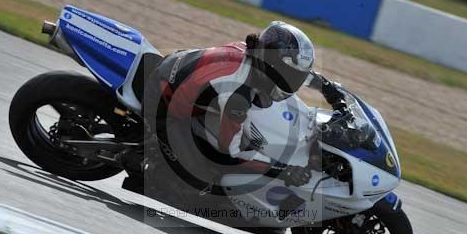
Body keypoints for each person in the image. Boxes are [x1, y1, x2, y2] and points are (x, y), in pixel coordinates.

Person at [131, 21, 346, 195]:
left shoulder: (255, 54)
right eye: (292, 76)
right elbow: (231, 154)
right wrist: (283, 171)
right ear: (274, 66)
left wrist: (328, 89)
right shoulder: (238, 94)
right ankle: (144, 167)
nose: (295, 81)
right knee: (201, 178)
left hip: (183, 79)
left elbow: (296, 70)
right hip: (164, 102)